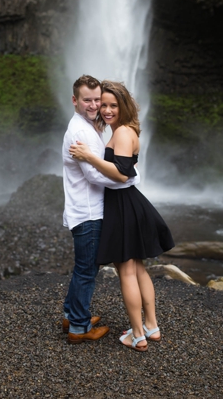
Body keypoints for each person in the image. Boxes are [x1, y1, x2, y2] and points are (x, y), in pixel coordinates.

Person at [69, 80, 175, 352]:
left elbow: (122, 173)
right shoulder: (123, 132)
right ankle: (151, 326)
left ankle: (137, 335)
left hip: (122, 206)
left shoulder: (124, 133)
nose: (105, 110)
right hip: (128, 203)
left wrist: (89, 157)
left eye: (112, 105)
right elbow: (128, 169)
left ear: (124, 105)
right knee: (138, 269)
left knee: (126, 272)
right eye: (102, 104)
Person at [61, 74, 139, 344]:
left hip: (85, 208)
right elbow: (94, 176)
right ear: (75, 100)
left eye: (98, 100)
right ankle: (79, 328)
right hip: (89, 211)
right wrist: (128, 177)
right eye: (88, 100)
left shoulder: (85, 125)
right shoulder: (82, 131)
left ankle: (71, 314)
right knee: (87, 270)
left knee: (82, 268)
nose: (95, 106)